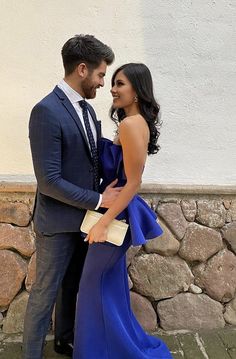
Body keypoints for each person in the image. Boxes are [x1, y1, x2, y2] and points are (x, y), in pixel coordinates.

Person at [22, 34, 122, 359]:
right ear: (82, 69)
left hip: (84, 223)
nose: (103, 82)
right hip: (57, 224)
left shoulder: (87, 111)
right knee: (44, 294)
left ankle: (64, 341)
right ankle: (31, 355)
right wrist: (98, 201)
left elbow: (94, 157)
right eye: (100, 75)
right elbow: (49, 181)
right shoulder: (46, 111)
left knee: (72, 288)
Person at [73, 63, 173, 358]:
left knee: (92, 285)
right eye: (113, 82)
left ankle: (100, 352)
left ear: (138, 91)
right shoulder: (134, 122)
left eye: (120, 84)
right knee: (110, 286)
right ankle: (115, 348)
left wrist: (103, 223)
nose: (113, 89)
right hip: (118, 211)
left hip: (116, 214)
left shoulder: (131, 125)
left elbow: (133, 183)